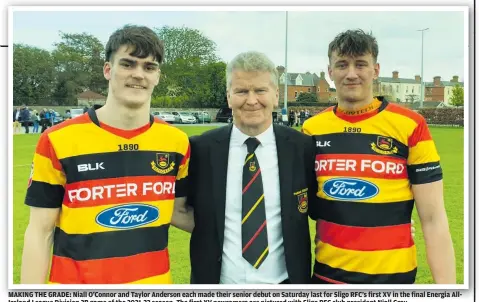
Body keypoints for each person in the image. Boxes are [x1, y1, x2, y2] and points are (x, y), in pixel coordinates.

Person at [21, 24, 191, 284]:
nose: (138, 74)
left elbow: (179, 212)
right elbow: (39, 232)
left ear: (158, 76)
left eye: (149, 67)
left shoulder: (177, 143)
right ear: (108, 70)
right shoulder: (56, 140)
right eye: (128, 64)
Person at [302, 29, 456, 284]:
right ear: (330, 72)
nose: (351, 73)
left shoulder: (411, 125)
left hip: (393, 281)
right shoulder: (311, 129)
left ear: (375, 70)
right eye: (342, 65)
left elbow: (433, 219)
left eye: (360, 64)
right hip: (326, 279)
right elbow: (306, 204)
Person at [176, 51, 317, 284]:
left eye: (260, 90)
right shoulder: (201, 149)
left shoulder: (302, 147)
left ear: (275, 95)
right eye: (241, 91)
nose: (251, 100)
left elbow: (314, 209)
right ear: (229, 96)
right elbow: (176, 209)